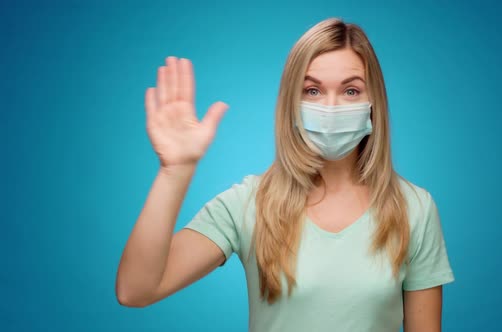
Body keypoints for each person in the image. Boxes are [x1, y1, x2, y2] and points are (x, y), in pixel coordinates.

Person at [116, 18, 455, 332]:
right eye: (312, 90)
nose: (331, 107)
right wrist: (176, 170)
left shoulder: (414, 208)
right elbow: (136, 290)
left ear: (373, 102)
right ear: (291, 101)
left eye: (351, 90)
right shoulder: (248, 202)